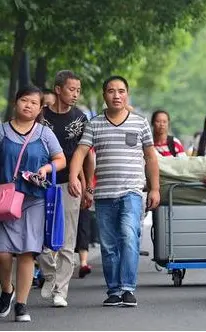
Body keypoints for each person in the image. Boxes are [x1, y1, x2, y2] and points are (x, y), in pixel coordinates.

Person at [68, 75, 160, 306]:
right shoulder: (95, 123)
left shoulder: (140, 122)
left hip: (131, 192)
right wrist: (74, 179)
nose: (116, 95)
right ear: (104, 95)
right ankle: (114, 290)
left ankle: (128, 288)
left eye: (121, 91)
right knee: (109, 245)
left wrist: (155, 188)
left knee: (129, 236)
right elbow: (80, 152)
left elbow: (150, 157)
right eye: (111, 91)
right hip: (104, 195)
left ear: (127, 94)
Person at [0, 86, 65, 322]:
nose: (28, 105)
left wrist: (46, 168)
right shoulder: (2, 131)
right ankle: (7, 289)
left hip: (34, 199)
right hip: (6, 200)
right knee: (4, 253)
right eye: (24, 100)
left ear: (40, 109)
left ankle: (21, 305)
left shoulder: (44, 133)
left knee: (27, 252)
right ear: (16, 103)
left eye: (34, 103)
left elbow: (60, 159)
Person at [38, 70, 93, 308]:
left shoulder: (80, 119)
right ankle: (50, 276)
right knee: (39, 238)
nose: (76, 94)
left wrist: (88, 186)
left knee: (67, 240)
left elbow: (87, 155)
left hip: (70, 184)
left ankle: (61, 290)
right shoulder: (40, 118)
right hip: (40, 184)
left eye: (78, 90)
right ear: (58, 89)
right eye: (72, 89)